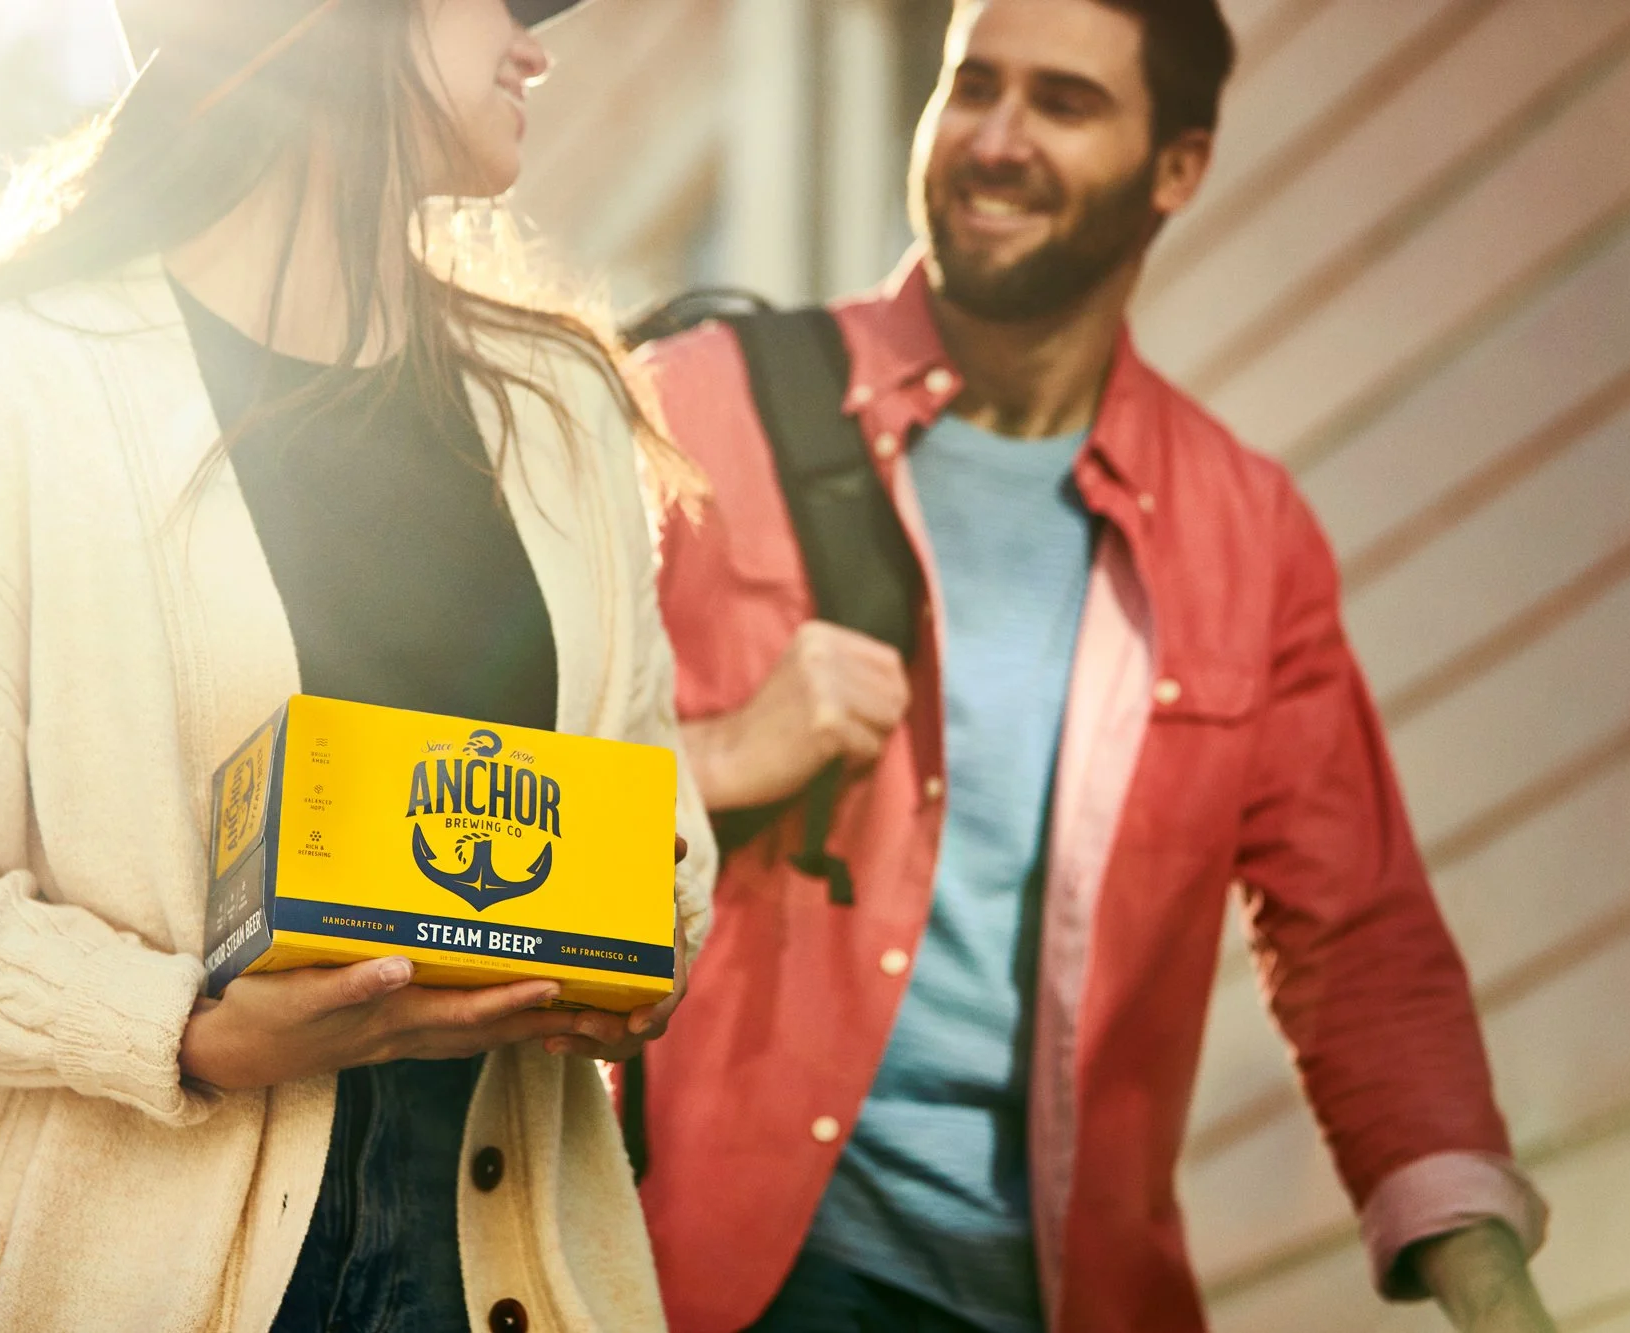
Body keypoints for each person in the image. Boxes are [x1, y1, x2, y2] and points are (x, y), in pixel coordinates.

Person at [0, 1, 714, 1330]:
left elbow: (655, 797)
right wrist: (185, 1031)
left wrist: (643, 941)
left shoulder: (560, 411)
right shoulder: (28, 388)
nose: (535, 45)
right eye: (497, 2)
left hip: (491, 1266)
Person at [630, 1, 1552, 1330]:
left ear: (1177, 168)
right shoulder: (696, 407)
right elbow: (483, 774)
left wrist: (1498, 1293)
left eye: (1061, 104)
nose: (994, 141)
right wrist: (713, 758)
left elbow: (1355, 940)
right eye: (973, 88)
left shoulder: (1250, 536)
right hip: (703, 1277)